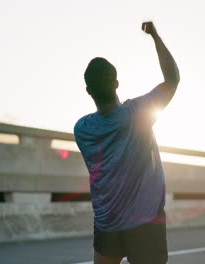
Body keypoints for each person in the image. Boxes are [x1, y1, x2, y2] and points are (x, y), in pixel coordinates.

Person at [74, 21, 180, 264]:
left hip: (107, 221)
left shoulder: (81, 128)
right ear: (117, 83)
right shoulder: (136, 113)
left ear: (88, 91)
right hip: (144, 222)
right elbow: (172, 79)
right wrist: (155, 36)